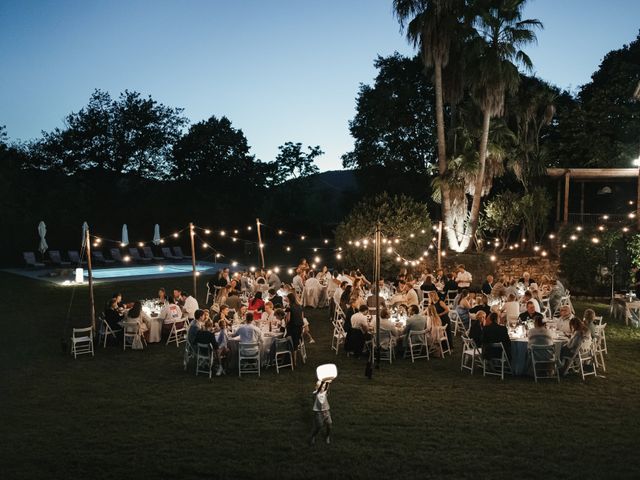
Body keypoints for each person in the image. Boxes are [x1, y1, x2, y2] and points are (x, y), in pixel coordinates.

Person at [309, 381, 332, 445]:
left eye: (323, 387)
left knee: (329, 425)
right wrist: (322, 382)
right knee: (319, 426)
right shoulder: (315, 393)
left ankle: (327, 436)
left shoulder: (325, 393)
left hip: (326, 411)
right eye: (320, 387)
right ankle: (313, 436)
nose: (322, 388)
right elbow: (318, 391)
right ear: (316, 387)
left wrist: (327, 382)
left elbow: (326, 388)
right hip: (318, 413)